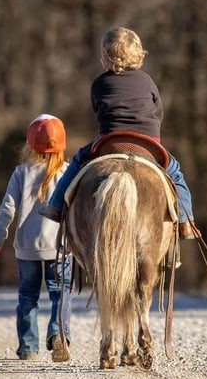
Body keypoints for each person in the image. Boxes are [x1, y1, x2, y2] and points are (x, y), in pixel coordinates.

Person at [40, 27, 198, 239]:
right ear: (139, 56)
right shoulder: (148, 81)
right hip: (146, 143)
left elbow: (98, 111)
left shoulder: (98, 83)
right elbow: (157, 113)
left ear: (105, 59)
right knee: (175, 172)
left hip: (110, 141)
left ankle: (56, 206)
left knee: (78, 160)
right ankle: (185, 222)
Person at [0, 114, 72, 361]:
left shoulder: (20, 173)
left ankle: (28, 347)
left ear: (30, 144)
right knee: (61, 291)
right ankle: (58, 333)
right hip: (59, 247)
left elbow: (8, 207)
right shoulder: (67, 173)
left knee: (28, 297)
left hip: (26, 248)